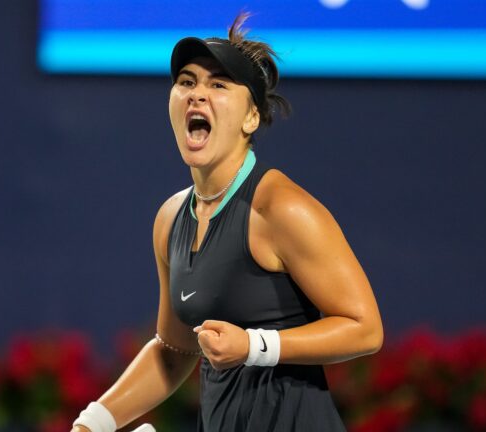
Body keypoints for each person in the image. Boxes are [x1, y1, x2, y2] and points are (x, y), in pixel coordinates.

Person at [71, 13, 383, 432]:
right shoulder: (170, 219)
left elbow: (364, 329)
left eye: (218, 84)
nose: (197, 94)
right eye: (186, 81)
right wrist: (93, 423)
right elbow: (173, 350)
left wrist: (256, 345)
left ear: (250, 119)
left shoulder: (280, 209)